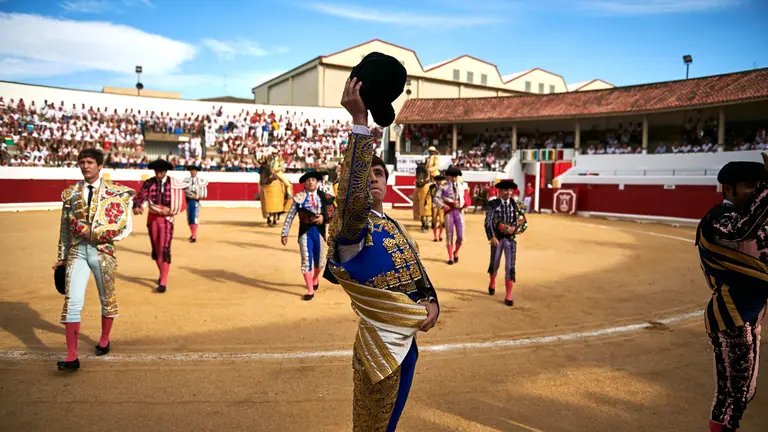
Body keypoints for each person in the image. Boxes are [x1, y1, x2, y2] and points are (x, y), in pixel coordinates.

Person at [325, 67, 439, 430]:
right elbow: (351, 199)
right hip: (380, 343)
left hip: (408, 338)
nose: (372, 178)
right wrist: (360, 124)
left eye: (379, 174)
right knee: (372, 427)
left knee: (389, 423)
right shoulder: (352, 228)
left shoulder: (392, 225)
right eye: (367, 174)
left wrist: (431, 300)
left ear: (388, 182)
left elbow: (415, 269)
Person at [696, 155, 768, 432]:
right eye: (750, 186)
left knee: (743, 393)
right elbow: (743, 229)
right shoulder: (718, 219)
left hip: (750, 312)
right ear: (728, 188)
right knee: (732, 398)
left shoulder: (755, 217)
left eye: (760, 185)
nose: (757, 191)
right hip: (731, 315)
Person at [53, 148, 135, 371]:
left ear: (100, 166)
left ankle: (104, 339)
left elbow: (123, 226)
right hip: (78, 250)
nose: (85, 166)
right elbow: (64, 228)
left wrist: (95, 232)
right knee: (72, 301)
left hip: (102, 249)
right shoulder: (70, 194)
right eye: (82, 162)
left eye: (90, 162)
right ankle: (71, 355)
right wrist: (61, 257)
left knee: (106, 297)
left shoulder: (115, 193)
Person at [133, 159, 186, 293]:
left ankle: (163, 280)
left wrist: (172, 211)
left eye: (161, 171)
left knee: (164, 248)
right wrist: (137, 206)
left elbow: (181, 202)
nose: (158, 173)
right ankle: (162, 274)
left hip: (167, 219)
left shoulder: (174, 184)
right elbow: (140, 197)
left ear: (165, 171)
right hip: (152, 218)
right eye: (156, 171)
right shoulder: (149, 183)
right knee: (156, 250)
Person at [280, 171, 335, 300]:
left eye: (313, 180)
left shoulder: (324, 197)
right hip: (305, 232)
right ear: (305, 183)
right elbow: (291, 215)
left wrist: (324, 217)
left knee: (320, 262)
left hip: (320, 232)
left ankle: (315, 279)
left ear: (317, 182)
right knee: (306, 260)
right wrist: (284, 232)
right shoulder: (299, 198)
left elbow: (334, 213)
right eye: (308, 180)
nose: (310, 182)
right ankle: (310, 290)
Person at [484, 180, 528, 306]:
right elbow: (488, 221)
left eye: (510, 190)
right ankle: (492, 282)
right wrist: (491, 237)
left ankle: (508, 295)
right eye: (505, 190)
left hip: (510, 239)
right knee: (495, 263)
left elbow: (523, 221)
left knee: (510, 266)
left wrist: (515, 229)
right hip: (497, 238)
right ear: (499, 191)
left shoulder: (516, 205)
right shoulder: (493, 204)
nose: (508, 193)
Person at [441, 167, 470, 264]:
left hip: (459, 212)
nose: (454, 178)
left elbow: (467, 198)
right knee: (449, 235)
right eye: (452, 176)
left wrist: (463, 205)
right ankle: (450, 257)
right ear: (448, 176)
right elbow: (436, 198)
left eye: (455, 176)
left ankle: (456, 252)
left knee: (460, 236)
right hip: (449, 213)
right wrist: (443, 206)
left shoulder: (463, 185)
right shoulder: (443, 186)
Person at [182, 165, 209, 243]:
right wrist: (189, 195)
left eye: (195, 171)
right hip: (187, 201)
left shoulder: (201, 181)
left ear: (197, 172)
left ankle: (194, 236)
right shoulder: (185, 180)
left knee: (193, 216)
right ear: (190, 172)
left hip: (195, 201)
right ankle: (192, 234)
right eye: (192, 170)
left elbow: (204, 193)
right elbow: (182, 191)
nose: (193, 172)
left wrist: (197, 196)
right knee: (190, 217)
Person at [427, 175, 446, 242]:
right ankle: (435, 236)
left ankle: (440, 235)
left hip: (441, 205)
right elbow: (428, 195)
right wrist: (425, 203)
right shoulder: (432, 187)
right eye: (438, 180)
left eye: (440, 180)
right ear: (435, 181)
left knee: (441, 221)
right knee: (434, 221)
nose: (439, 182)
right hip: (434, 205)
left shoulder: (444, 187)